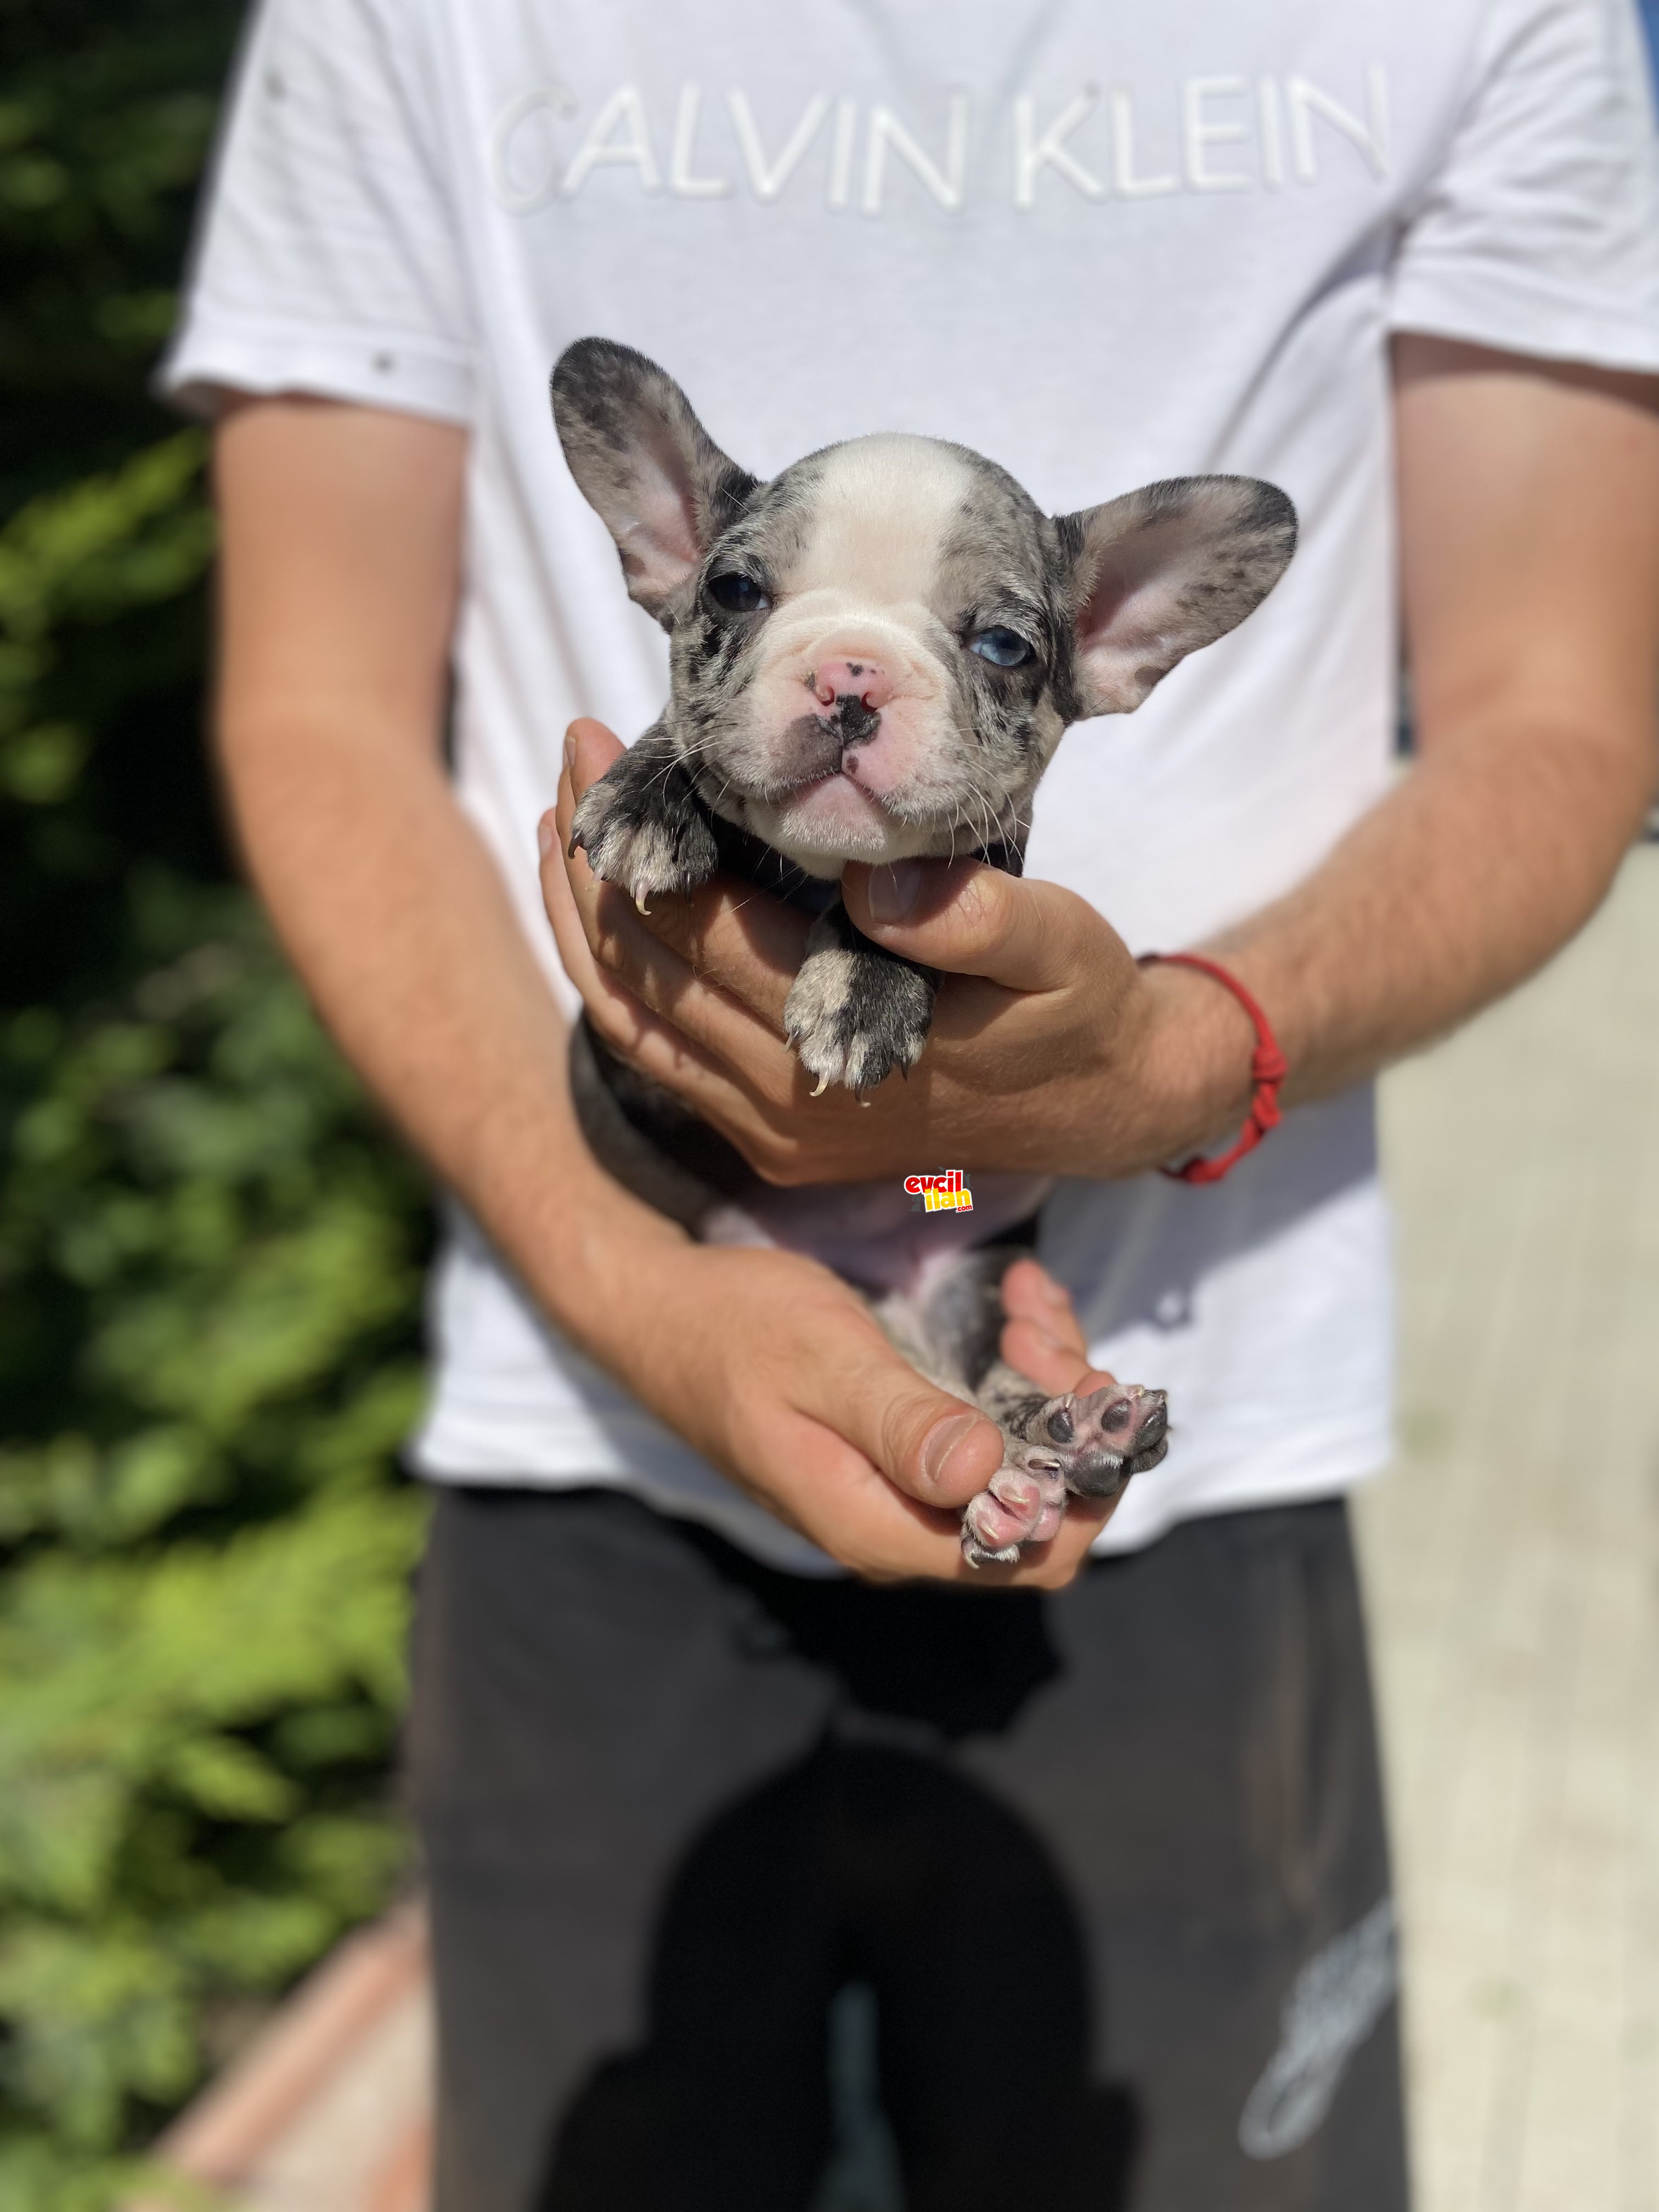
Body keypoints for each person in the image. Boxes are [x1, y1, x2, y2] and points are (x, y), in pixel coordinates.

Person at [161, 3, 1659, 2205]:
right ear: (674, 556)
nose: (858, 682)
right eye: (771, 606)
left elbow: (1563, 711)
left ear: (1116, 642)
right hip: (584, 1423)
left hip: (1169, 1419)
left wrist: (1184, 1057)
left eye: (997, 644)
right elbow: (312, 703)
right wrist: (625, 1275)